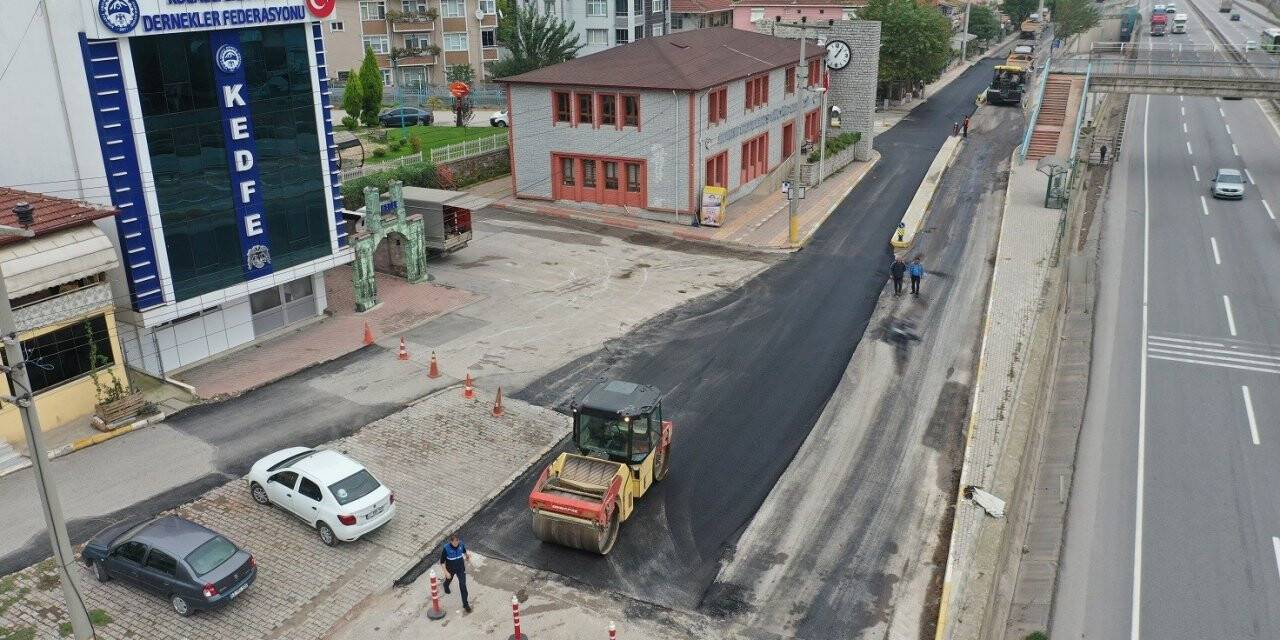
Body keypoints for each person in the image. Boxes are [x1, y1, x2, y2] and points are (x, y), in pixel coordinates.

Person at [440, 533, 473, 612]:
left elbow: (464, 551)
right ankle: (445, 585)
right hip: (450, 569)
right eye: (454, 542)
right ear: (451, 542)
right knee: (449, 579)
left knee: (463, 585)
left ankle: (465, 604)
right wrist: (446, 572)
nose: (456, 543)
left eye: (457, 541)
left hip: (460, 568)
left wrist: (467, 556)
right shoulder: (446, 548)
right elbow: (442, 562)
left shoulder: (461, 544)